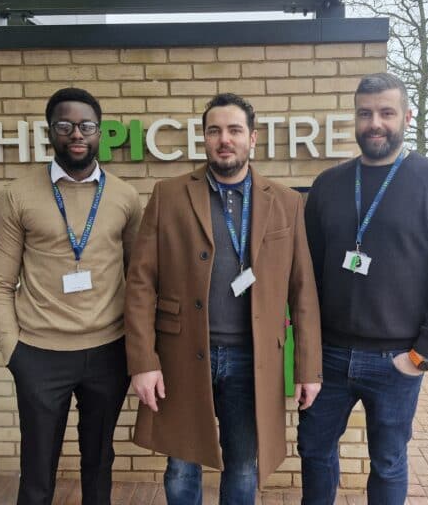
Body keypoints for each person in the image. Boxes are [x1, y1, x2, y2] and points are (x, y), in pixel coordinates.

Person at [124, 92, 322, 504]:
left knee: (244, 466)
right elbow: (141, 284)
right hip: (181, 353)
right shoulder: (168, 195)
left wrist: (309, 369)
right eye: (214, 131)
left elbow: (302, 291)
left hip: (253, 359)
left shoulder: (286, 202)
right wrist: (143, 362)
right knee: (181, 464)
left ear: (253, 138)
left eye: (234, 130)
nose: (224, 139)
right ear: (204, 138)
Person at [297, 72, 428, 504]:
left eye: (386, 112)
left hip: (397, 360)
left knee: (388, 462)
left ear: (407, 117)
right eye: (365, 113)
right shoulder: (328, 185)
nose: (375, 123)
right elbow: (306, 275)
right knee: (314, 453)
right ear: (355, 118)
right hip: (329, 357)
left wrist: (421, 354)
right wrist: (307, 349)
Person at [0, 87, 143, 505]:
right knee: (38, 471)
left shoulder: (125, 196)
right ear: (50, 131)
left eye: (87, 126)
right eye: (65, 125)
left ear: (100, 132)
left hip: (109, 352)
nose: (77, 134)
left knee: (99, 462)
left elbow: (138, 277)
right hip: (39, 355)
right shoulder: (16, 196)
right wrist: (14, 353)